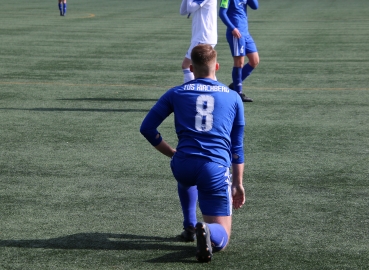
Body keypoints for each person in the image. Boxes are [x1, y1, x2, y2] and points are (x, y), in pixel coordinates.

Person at [140, 44, 246, 262]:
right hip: (213, 169)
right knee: (222, 236)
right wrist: (237, 182)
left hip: (183, 165)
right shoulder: (233, 97)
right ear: (216, 66)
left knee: (189, 176)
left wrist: (172, 153)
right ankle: (205, 229)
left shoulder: (176, 93)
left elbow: (147, 128)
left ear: (191, 68)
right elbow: (237, 146)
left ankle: (189, 225)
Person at [219, 0, 260, 102]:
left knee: (254, 60)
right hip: (236, 34)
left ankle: (235, 84)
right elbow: (222, 13)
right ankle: (238, 93)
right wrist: (232, 28)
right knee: (239, 62)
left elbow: (255, 6)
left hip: (245, 33)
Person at [179, 0, 218, 83]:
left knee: (186, 65)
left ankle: (190, 91)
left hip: (203, 37)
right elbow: (183, 11)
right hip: (202, 37)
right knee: (207, 69)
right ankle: (216, 91)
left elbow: (190, 9)